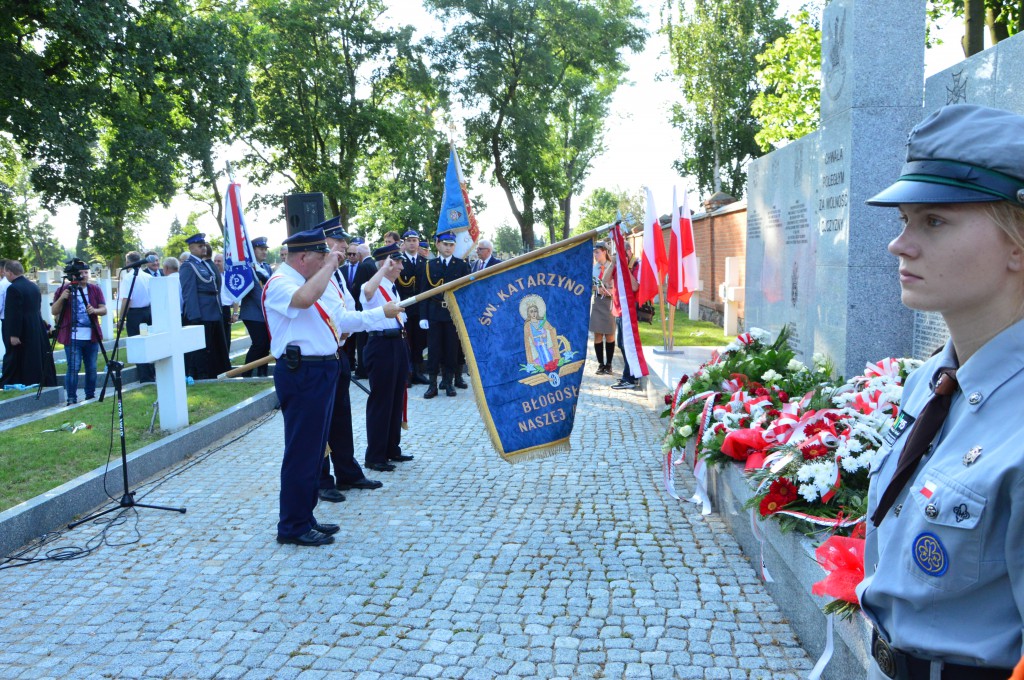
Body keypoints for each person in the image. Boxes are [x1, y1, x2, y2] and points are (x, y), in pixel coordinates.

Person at [857, 104, 1024, 680]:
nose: (899, 245)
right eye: (904, 220)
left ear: (1018, 245)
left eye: (934, 221)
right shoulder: (931, 382)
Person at [261, 228, 400, 546]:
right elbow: (304, 300)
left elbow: (342, 320)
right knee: (302, 451)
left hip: (323, 367)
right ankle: (292, 526)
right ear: (303, 257)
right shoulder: (282, 283)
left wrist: (380, 313)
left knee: (313, 451)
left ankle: (305, 517)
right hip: (301, 372)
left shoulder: (309, 281)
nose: (329, 261)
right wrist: (329, 267)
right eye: (322, 256)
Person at [317, 221, 383, 501]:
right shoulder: (319, 275)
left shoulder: (339, 274)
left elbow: (348, 308)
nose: (344, 245)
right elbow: (337, 316)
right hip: (319, 357)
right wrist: (380, 314)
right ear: (323, 243)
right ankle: (322, 480)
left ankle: (347, 472)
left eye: (343, 241)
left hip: (339, 353)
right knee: (320, 422)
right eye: (337, 240)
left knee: (341, 417)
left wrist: (348, 328)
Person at [360, 244, 415, 471]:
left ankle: (392, 448)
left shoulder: (392, 288)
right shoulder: (373, 285)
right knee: (382, 401)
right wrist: (383, 269)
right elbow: (367, 293)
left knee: (395, 397)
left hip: (397, 342)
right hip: (381, 344)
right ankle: (375, 455)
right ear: (386, 263)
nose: (401, 267)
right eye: (397, 262)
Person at [417, 230, 470, 398]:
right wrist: (423, 316)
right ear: (438, 245)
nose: (448, 248)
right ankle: (432, 384)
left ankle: (449, 383)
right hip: (434, 312)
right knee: (434, 350)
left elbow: (465, 294)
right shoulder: (429, 266)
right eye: (445, 244)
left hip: (452, 314)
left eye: (451, 245)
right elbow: (424, 292)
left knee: (451, 349)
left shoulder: (461, 265)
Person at [51, 260, 107, 405]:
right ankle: (71, 397)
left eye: (85, 272)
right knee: (73, 368)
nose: (83, 275)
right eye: (80, 273)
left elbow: (104, 309)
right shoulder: (64, 289)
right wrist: (63, 298)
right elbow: (54, 311)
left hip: (91, 336)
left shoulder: (95, 289)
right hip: (72, 336)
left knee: (92, 367)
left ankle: (90, 395)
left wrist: (94, 310)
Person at [179, 233, 229, 379]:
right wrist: (194, 316)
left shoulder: (205, 264)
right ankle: (202, 375)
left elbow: (216, 286)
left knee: (216, 347)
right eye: (200, 246)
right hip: (202, 313)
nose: (204, 248)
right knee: (203, 350)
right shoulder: (188, 266)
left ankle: (216, 373)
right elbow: (189, 293)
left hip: (214, 311)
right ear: (192, 247)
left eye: (204, 245)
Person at [0, 260, 54, 389]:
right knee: (32, 354)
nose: (5, 274)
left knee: (14, 355)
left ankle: (10, 381)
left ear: (10, 272)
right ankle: (33, 378)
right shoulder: (32, 285)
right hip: (34, 324)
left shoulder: (13, 288)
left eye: (6, 272)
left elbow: (14, 313)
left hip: (20, 328)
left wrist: (14, 334)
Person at [605, 241, 640, 390]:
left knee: (627, 344)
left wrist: (625, 267)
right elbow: (605, 280)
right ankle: (630, 374)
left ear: (628, 252)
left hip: (629, 310)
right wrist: (613, 264)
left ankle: (630, 377)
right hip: (619, 309)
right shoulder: (617, 265)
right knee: (622, 344)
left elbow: (634, 286)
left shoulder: (636, 265)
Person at [239, 236, 273, 377]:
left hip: (265, 312)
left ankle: (262, 373)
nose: (264, 252)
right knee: (259, 344)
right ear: (252, 250)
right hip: (253, 312)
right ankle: (245, 374)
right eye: (261, 249)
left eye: (265, 249)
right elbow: (256, 292)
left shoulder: (265, 267)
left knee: (266, 345)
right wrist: (269, 309)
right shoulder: (248, 267)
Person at [117, 251, 154, 383]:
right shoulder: (147, 276)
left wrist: (121, 318)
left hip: (135, 314)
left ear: (128, 263)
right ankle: (151, 372)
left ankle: (144, 376)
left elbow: (127, 300)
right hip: (148, 312)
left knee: (138, 344)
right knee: (148, 343)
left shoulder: (128, 278)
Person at [397, 229, 428, 385]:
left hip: (420, 309)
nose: (412, 243)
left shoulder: (424, 262)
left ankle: (418, 371)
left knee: (419, 342)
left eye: (414, 241)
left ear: (418, 242)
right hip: (405, 308)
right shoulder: (399, 261)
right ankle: (407, 373)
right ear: (404, 243)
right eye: (408, 241)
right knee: (406, 342)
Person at [590, 243, 616, 375]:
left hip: (609, 302)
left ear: (605, 252)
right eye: (594, 252)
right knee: (598, 334)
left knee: (610, 334)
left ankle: (609, 364)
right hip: (597, 303)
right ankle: (600, 364)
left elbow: (617, 285)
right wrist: (597, 288)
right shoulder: (594, 268)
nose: (595, 255)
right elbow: (590, 285)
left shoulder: (612, 267)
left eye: (597, 252)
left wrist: (609, 289)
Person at [521, 294, 559, 370]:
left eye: (535, 311)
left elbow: (551, 330)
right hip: (536, 345)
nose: (533, 313)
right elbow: (527, 339)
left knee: (547, 354)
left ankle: (551, 365)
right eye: (531, 312)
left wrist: (545, 334)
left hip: (545, 342)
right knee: (541, 355)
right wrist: (534, 343)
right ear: (528, 313)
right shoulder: (527, 325)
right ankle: (543, 366)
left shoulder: (542, 322)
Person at [213, 251, 238, 353]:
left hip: (225, 309)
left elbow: (236, 295)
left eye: (219, 261)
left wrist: (235, 313)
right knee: (215, 338)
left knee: (226, 337)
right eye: (215, 261)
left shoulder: (230, 276)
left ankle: (226, 361)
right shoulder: (212, 276)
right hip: (214, 309)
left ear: (224, 262)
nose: (216, 263)